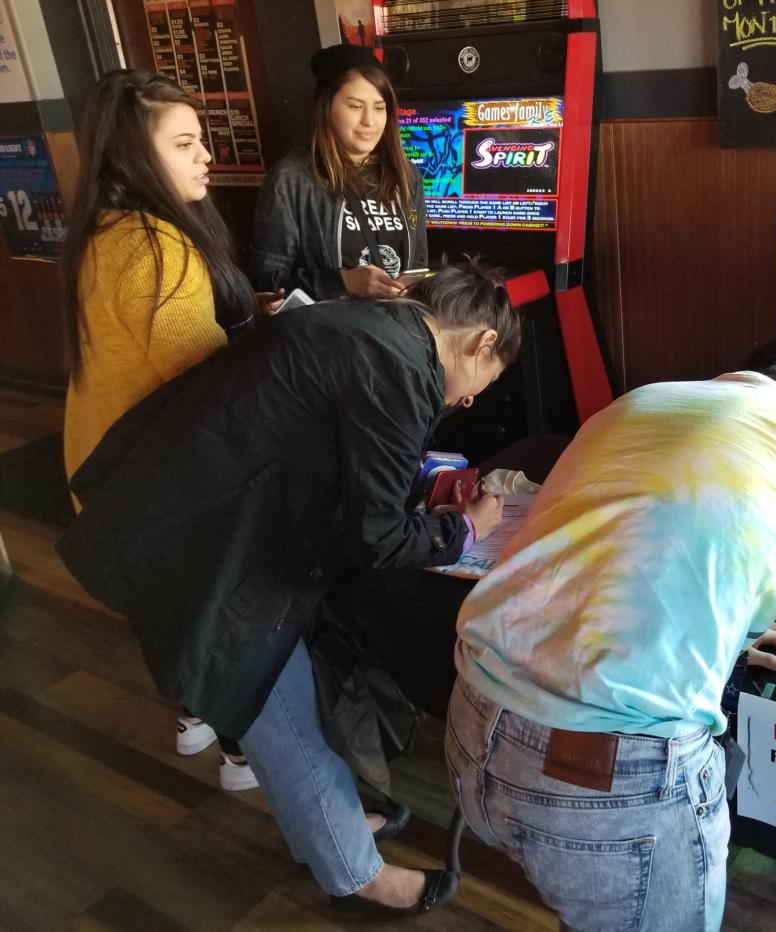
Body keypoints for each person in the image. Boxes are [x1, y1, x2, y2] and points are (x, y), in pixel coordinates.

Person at [57, 259, 518, 916]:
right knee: (268, 689)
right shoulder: (403, 369)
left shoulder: (370, 322)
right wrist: (464, 530)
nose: (465, 401)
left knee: (273, 688)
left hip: (192, 510)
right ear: (481, 342)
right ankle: (354, 877)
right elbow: (379, 540)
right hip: (211, 540)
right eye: (481, 385)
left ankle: (323, 830)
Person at [447, 329, 776, 930]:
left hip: (472, 726)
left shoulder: (639, 402)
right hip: (607, 782)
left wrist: (736, 626)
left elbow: (625, 560)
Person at [59, 69, 258, 790]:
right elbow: (209, 389)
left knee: (169, 609)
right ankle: (243, 751)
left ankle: (194, 714)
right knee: (224, 607)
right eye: (184, 143)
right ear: (135, 159)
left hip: (105, 472)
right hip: (161, 480)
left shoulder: (100, 231)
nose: (205, 155)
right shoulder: (157, 246)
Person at [249, 43, 428, 302]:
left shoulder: (407, 175)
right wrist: (343, 282)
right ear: (326, 107)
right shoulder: (291, 180)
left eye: (379, 107)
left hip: (393, 331)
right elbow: (264, 281)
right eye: (355, 106)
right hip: (330, 333)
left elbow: (418, 263)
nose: (369, 121)